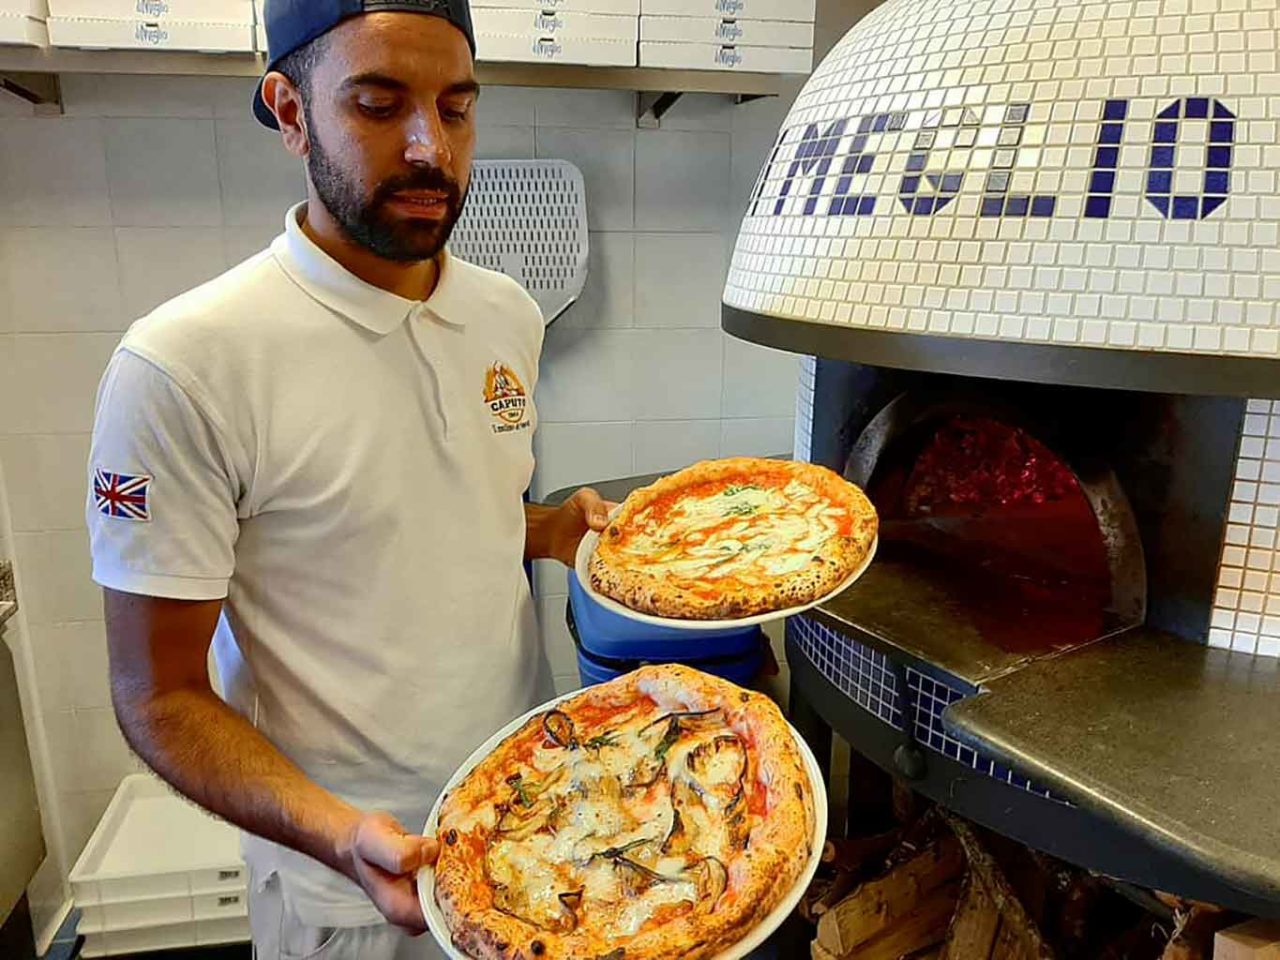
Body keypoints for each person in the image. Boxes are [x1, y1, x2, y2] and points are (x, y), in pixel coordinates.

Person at [85, 1, 610, 956]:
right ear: (290, 112)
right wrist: (338, 836)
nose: (429, 148)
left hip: (534, 820)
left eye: (456, 110)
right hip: (351, 890)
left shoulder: (505, 314)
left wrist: (550, 529)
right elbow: (157, 697)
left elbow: (419, 510)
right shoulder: (185, 365)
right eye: (378, 105)